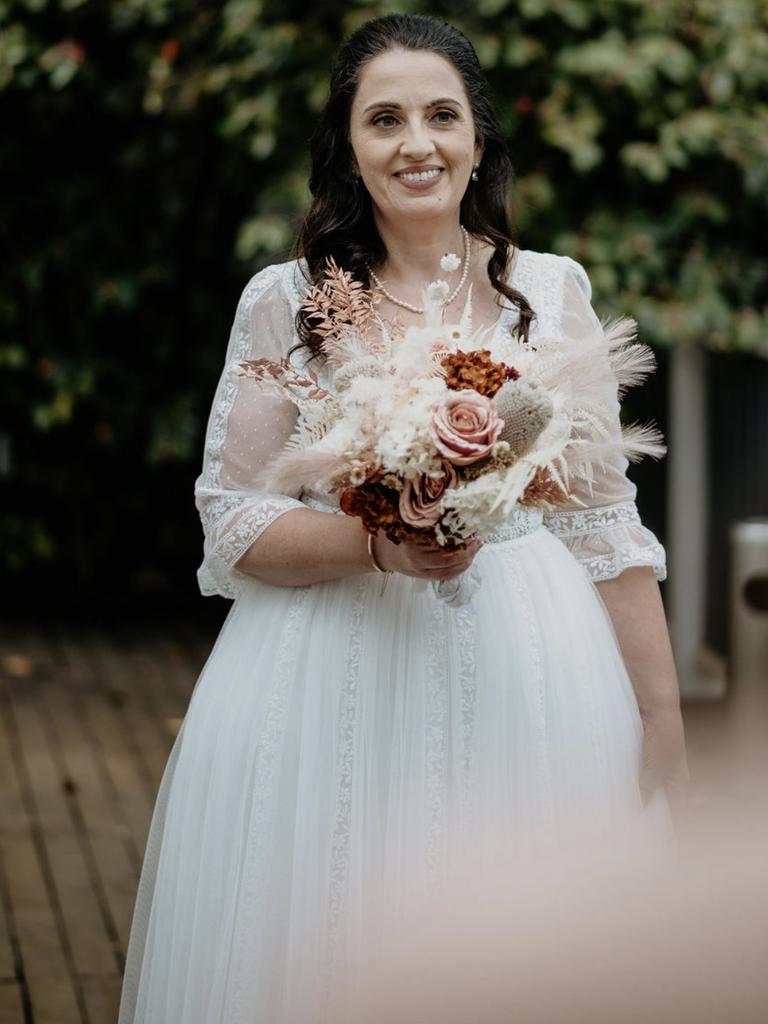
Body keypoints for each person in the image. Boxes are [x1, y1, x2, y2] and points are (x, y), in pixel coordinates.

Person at [118, 13, 689, 1023]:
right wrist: (383, 541)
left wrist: (660, 713)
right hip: (328, 672)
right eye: (384, 119)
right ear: (348, 146)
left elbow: (605, 522)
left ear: (478, 141)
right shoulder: (286, 301)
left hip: (534, 676)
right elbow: (232, 517)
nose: (415, 142)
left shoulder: (552, 294)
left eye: (440, 115)